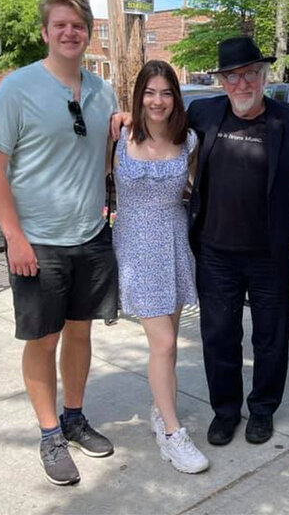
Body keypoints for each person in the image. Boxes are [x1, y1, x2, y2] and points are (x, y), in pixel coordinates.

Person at [111, 37, 289, 447]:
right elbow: (161, 126)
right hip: (215, 252)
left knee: (270, 337)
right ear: (221, 81)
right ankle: (226, 411)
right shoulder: (205, 113)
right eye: (232, 76)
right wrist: (128, 116)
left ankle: (263, 409)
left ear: (263, 76)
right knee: (219, 335)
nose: (241, 84)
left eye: (250, 74)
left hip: (271, 252)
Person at [0, 0, 118, 487]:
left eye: (78, 24)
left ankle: (74, 417)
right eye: (60, 24)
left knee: (79, 331)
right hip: (37, 240)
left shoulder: (103, 91)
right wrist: (14, 237)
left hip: (91, 235)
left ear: (88, 31)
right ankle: (48, 433)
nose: (70, 32)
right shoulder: (17, 88)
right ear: (45, 31)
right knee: (43, 339)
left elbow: (104, 153)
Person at [111, 60, 209, 474]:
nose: (157, 101)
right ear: (139, 96)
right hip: (134, 246)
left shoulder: (188, 141)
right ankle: (172, 433)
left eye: (166, 92)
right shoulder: (117, 134)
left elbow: (196, 193)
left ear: (176, 97)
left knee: (163, 345)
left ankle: (158, 409)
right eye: (150, 92)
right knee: (165, 344)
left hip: (173, 244)